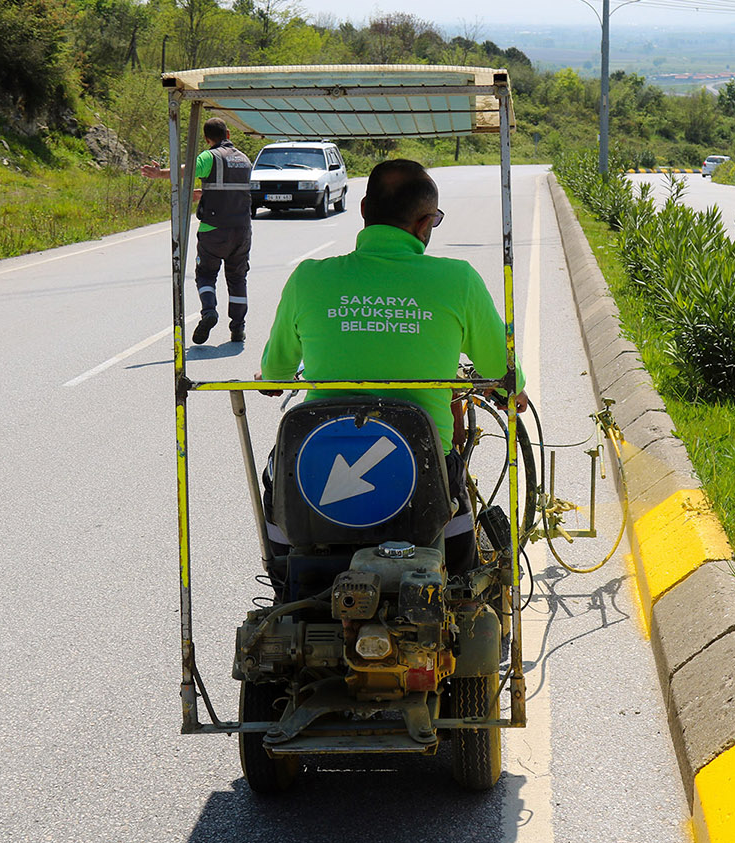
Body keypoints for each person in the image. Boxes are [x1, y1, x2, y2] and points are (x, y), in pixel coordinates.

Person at [256, 158, 527, 567]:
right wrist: (514, 389)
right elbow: (501, 371)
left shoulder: (308, 278)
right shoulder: (459, 280)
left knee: (274, 481)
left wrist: (270, 378)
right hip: (421, 464)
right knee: (457, 524)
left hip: (319, 458)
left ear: (363, 210)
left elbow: (274, 375)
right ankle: (459, 582)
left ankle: (284, 579)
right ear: (425, 224)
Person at [141, 117, 254, 344]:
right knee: (237, 278)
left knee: (205, 275)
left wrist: (159, 173)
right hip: (241, 230)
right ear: (228, 134)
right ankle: (238, 329)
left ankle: (209, 311)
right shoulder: (244, 160)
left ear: (206, 139)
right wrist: (205, 192)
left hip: (213, 230)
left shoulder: (208, 156)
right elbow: (233, 190)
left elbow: (185, 171)